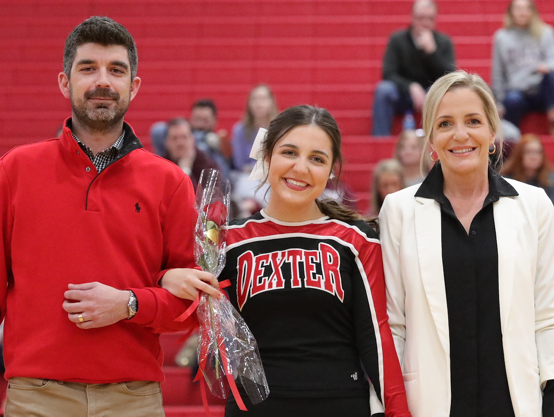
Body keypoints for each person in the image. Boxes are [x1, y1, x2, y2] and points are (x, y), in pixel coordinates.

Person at [0, 16, 217, 417]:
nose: (102, 81)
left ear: (133, 87)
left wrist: (129, 304)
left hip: (133, 398)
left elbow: (191, 305)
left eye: (116, 70)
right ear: (64, 82)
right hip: (35, 397)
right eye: (88, 68)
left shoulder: (170, 181)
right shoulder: (15, 169)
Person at [162, 105, 410, 417]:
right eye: (289, 152)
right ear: (267, 156)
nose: (301, 168)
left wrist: (399, 413)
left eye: (317, 159)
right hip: (254, 408)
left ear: (332, 169)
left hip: (341, 404)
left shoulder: (354, 239)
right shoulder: (230, 240)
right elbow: (187, 316)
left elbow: (377, 337)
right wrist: (167, 278)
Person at [379, 70, 554, 417]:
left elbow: (549, 316)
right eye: (446, 123)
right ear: (432, 140)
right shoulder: (398, 211)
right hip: (430, 406)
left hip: (516, 405)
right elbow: (394, 324)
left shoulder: (535, 204)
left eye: (473, 120)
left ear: (493, 132)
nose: (461, 134)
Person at [372, 0, 455, 137]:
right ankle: (380, 139)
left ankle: (440, 138)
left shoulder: (443, 41)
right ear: (412, 18)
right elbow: (388, 73)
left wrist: (432, 53)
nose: (426, 22)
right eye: (421, 18)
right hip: (402, 93)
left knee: (445, 93)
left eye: (430, 18)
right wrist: (411, 86)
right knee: (383, 90)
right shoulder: (397, 39)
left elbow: (450, 77)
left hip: (431, 94)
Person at [491, 0, 554, 136]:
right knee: (512, 100)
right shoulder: (501, 37)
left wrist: (545, 66)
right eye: (518, 8)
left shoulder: (545, 32)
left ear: (532, 12)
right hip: (516, 91)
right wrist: (498, 101)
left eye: (526, 8)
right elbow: (498, 72)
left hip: (540, 90)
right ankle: (513, 138)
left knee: (550, 76)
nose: (522, 13)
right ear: (510, 12)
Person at [150, 99, 231, 176]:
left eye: (205, 120)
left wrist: (185, 169)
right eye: (197, 119)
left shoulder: (208, 155)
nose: (200, 124)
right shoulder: (165, 156)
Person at [501, 134, 554, 222]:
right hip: (515, 228)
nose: (534, 157)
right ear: (519, 155)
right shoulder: (506, 179)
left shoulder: (551, 179)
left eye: (538, 152)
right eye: (529, 152)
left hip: (544, 229)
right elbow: (504, 212)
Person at [231, 85, 278, 173]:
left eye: (263, 99)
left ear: (271, 102)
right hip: (247, 175)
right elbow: (240, 163)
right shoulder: (240, 130)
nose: (258, 103)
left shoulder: (280, 129)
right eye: (254, 99)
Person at [163, 117, 220, 190]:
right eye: (174, 138)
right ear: (167, 142)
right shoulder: (161, 166)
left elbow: (208, 198)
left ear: (192, 139)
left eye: (184, 137)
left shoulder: (207, 165)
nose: (180, 143)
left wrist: (185, 171)